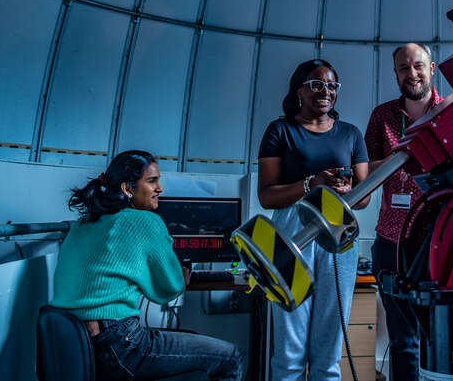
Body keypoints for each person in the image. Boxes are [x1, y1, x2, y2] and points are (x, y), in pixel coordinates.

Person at [51, 150, 243, 381]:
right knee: (230, 357)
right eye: (152, 181)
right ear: (127, 189)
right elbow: (168, 290)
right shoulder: (143, 220)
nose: (159, 188)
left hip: (73, 340)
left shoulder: (83, 223)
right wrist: (182, 277)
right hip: (118, 344)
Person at [257, 59, 370, 381]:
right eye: (317, 84)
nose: (326, 91)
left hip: (338, 228)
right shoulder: (280, 130)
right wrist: (312, 184)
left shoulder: (350, 134)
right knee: (291, 342)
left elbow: (363, 197)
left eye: (332, 86)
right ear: (299, 91)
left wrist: (348, 191)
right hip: (291, 229)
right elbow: (266, 195)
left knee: (330, 340)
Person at [364, 43, 445, 381]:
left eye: (418, 66)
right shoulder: (382, 116)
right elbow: (363, 171)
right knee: (403, 341)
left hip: (440, 243)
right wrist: (405, 156)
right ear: (395, 73)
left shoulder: (452, 112)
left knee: (444, 337)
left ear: (432, 67)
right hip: (391, 242)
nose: (412, 74)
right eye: (403, 68)